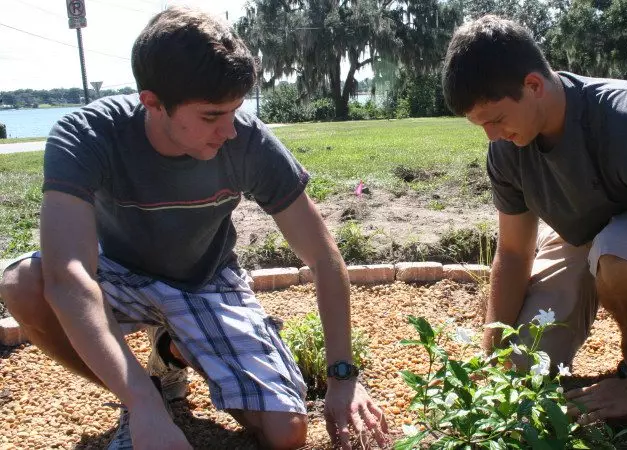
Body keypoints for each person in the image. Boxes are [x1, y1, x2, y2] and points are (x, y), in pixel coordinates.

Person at [0, 6, 387, 450]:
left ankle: (172, 351)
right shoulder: (88, 134)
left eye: (236, 110)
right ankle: (146, 394)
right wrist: (144, 404)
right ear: (152, 102)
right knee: (24, 282)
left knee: (286, 434)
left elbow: (323, 256)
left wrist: (342, 376)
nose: (229, 131)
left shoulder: (249, 141)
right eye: (210, 116)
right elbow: (70, 277)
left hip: (206, 282)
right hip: (118, 274)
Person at [441, 15, 627, 423]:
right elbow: (516, 253)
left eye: (497, 120)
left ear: (533, 86)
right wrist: (492, 357)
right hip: (577, 236)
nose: (491, 136)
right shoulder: (506, 150)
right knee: (523, 369)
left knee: (619, 259)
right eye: (481, 125)